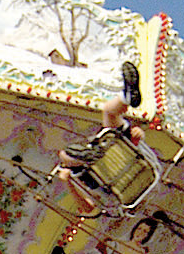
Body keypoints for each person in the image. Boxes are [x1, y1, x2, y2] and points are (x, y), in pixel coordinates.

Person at [51, 72, 162, 216]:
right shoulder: (123, 199)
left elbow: (88, 208)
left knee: (108, 115)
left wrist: (67, 182)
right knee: (109, 115)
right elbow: (89, 208)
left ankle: (127, 96)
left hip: (112, 157)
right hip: (113, 164)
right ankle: (126, 97)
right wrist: (137, 136)